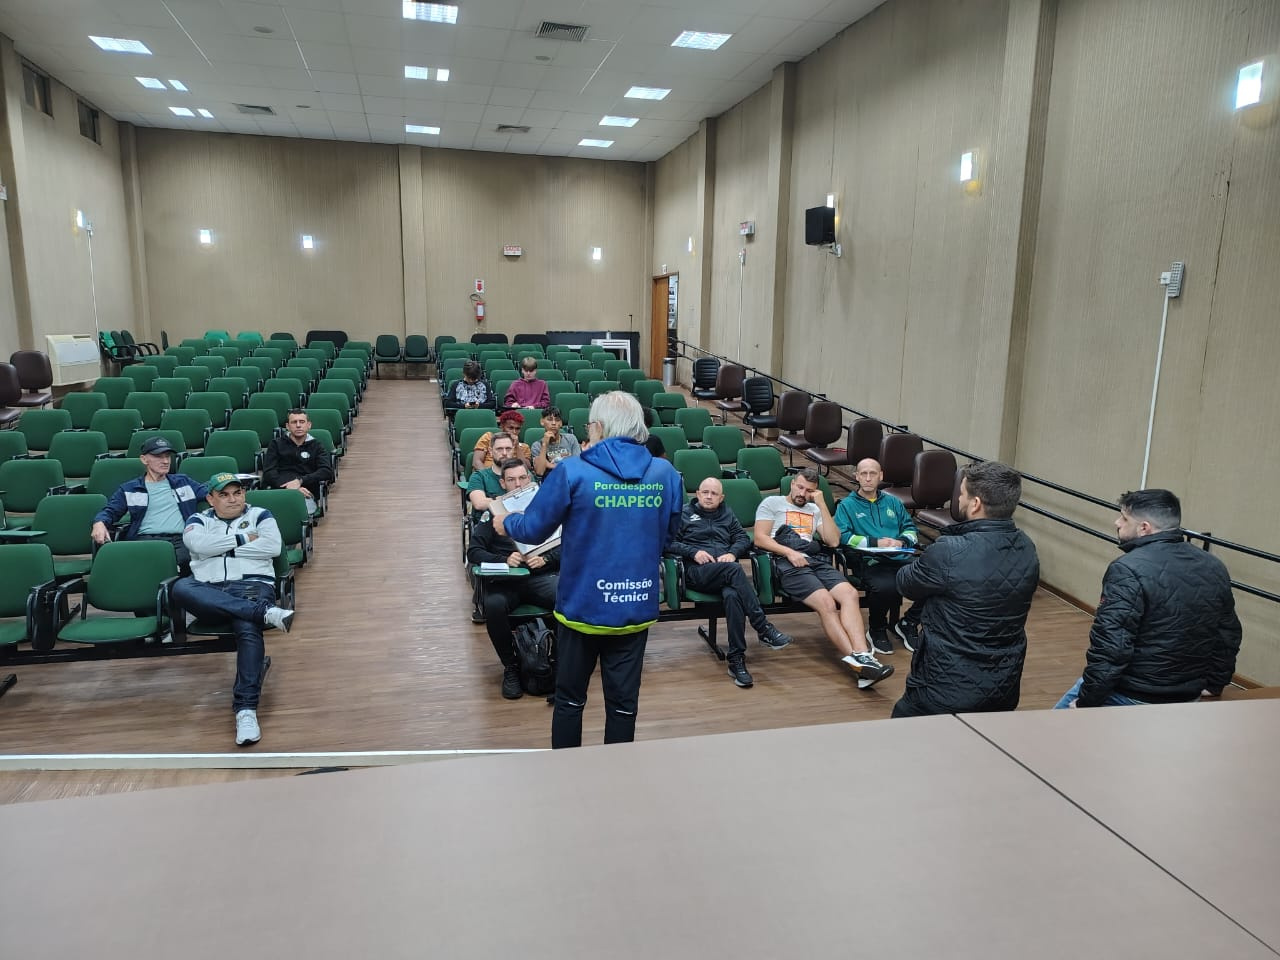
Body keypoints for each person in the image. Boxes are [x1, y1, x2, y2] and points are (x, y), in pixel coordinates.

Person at [494, 390, 683, 748]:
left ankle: (569, 775)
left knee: (569, 701)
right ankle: (616, 773)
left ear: (597, 427)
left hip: (583, 606)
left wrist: (507, 522)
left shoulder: (572, 470)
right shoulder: (665, 473)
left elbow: (533, 529)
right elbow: (669, 533)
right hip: (636, 605)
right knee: (624, 706)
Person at [1055, 489, 1241, 709]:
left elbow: (1112, 646)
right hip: (1188, 694)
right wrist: (1216, 683)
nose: (1117, 523)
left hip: (1132, 694)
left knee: (1050, 727)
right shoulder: (1214, 565)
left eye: (1124, 518)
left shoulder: (1126, 569)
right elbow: (1227, 632)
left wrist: (1087, 702)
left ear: (1144, 528)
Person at [891, 461, 1039, 718]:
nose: (958, 498)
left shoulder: (949, 551)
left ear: (975, 504)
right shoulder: (1026, 546)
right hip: (1004, 684)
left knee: (903, 730)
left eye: (961, 494)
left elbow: (905, 583)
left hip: (944, 685)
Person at [170, 473, 295, 746]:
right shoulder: (198, 520)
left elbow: (272, 547)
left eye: (237, 493)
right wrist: (245, 539)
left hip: (252, 585)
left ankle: (246, 710)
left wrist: (220, 550)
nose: (232, 499)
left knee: (247, 630)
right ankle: (263, 613)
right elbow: (197, 545)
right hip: (208, 590)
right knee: (180, 587)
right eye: (224, 495)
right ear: (210, 499)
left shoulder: (261, 515)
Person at [753, 468, 893, 689]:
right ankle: (858, 664)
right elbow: (760, 539)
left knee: (850, 594)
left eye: (809, 490)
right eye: (800, 487)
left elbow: (833, 541)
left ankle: (863, 655)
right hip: (785, 561)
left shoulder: (814, 509)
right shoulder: (772, 503)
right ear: (792, 484)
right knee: (827, 603)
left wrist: (821, 505)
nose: (803, 493)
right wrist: (789, 552)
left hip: (814, 560)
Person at [668, 477, 793, 688]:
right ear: (697, 494)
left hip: (724, 572)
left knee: (733, 595)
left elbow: (743, 538)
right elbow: (667, 542)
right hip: (696, 573)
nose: (709, 496)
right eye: (705, 492)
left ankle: (736, 659)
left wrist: (733, 553)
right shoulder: (684, 514)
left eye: (714, 493)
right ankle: (763, 627)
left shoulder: (727, 513)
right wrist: (693, 552)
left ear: (721, 497)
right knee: (734, 570)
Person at [467, 458, 561, 699]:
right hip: (507, 581)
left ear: (530, 478)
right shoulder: (494, 512)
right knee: (494, 604)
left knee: (568, 596)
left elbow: (569, 543)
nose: (518, 484)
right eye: (511, 480)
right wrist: (504, 559)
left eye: (522, 478)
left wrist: (547, 559)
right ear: (503, 483)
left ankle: (558, 664)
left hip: (539, 577)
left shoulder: (547, 508)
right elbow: (474, 551)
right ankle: (511, 667)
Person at [834, 458, 921, 656]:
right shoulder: (846, 506)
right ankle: (877, 629)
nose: (868, 478)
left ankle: (909, 622)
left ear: (880, 476)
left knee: (935, 579)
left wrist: (901, 541)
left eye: (872, 473)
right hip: (869, 560)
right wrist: (876, 543)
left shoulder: (893, 502)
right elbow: (843, 536)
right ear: (856, 476)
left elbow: (910, 528)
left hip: (900, 556)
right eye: (863, 473)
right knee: (886, 586)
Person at [90, 436, 206, 573]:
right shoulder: (130, 489)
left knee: (186, 562)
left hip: (180, 539)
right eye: (158, 456)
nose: (165, 461)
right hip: (144, 540)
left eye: (167, 456)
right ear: (144, 459)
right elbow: (110, 511)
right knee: (134, 567)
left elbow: (211, 492)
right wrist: (99, 522)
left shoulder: (183, 482)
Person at [260, 408, 335, 516]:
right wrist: (290, 487)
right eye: (294, 422)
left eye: (302, 422)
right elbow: (269, 472)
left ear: (309, 425)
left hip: (306, 492)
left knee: (299, 514)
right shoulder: (276, 444)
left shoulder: (317, 446)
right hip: (279, 490)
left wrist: (300, 481)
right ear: (287, 426)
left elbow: (326, 471)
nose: (298, 425)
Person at [466, 432, 517, 515]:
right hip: (489, 520)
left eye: (508, 449)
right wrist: (515, 499)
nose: (504, 453)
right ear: (490, 451)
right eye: (499, 449)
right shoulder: (479, 476)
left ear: (513, 450)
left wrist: (493, 500)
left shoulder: (523, 474)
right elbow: (479, 503)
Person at [471, 409, 531, 474]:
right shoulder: (488, 437)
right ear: (502, 427)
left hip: (512, 478)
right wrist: (488, 476)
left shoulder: (524, 447)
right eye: (510, 428)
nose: (514, 432)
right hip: (487, 475)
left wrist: (517, 447)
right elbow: (476, 462)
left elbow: (526, 469)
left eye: (517, 429)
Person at [530, 406, 580, 477]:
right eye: (549, 419)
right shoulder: (537, 445)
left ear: (561, 423)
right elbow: (540, 472)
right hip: (550, 480)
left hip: (571, 478)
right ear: (542, 422)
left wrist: (550, 465)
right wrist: (544, 444)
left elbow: (577, 465)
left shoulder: (571, 439)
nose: (554, 423)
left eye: (557, 420)